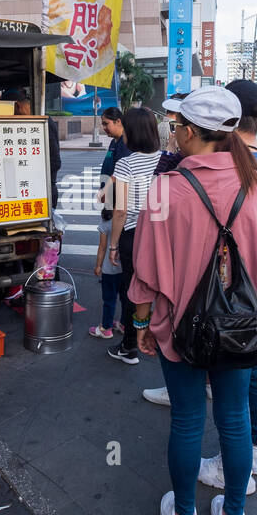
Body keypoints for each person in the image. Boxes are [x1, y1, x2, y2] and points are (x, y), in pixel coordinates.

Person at [128, 87, 257, 515]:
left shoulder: (164, 188)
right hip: (239, 330)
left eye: (175, 127)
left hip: (178, 328)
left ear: (191, 132)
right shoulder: (256, 186)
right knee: (234, 421)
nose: (172, 134)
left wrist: (140, 324)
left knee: (188, 421)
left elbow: (146, 271)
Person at [105, 107, 162, 365]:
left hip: (135, 235)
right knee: (160, 287)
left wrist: (113, 245)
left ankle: (129, 347)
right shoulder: (167, 159)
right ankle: (161, 339)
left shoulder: (126, 163)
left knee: (133, 290)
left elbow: (120, 210)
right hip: (162, 232)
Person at [2, 88, 61, 209]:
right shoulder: (27, 122)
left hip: (43, 192)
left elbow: (55, 162)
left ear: (17, 105)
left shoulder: (42, 123)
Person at [89, 208, 122, 339]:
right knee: (125, 298)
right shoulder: (127, 218)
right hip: (125, 268)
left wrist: (98, 265)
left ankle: (106, 328)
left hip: (110, 269)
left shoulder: (106, 222)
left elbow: (102, 247)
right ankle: (123, 324)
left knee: (109, 299)